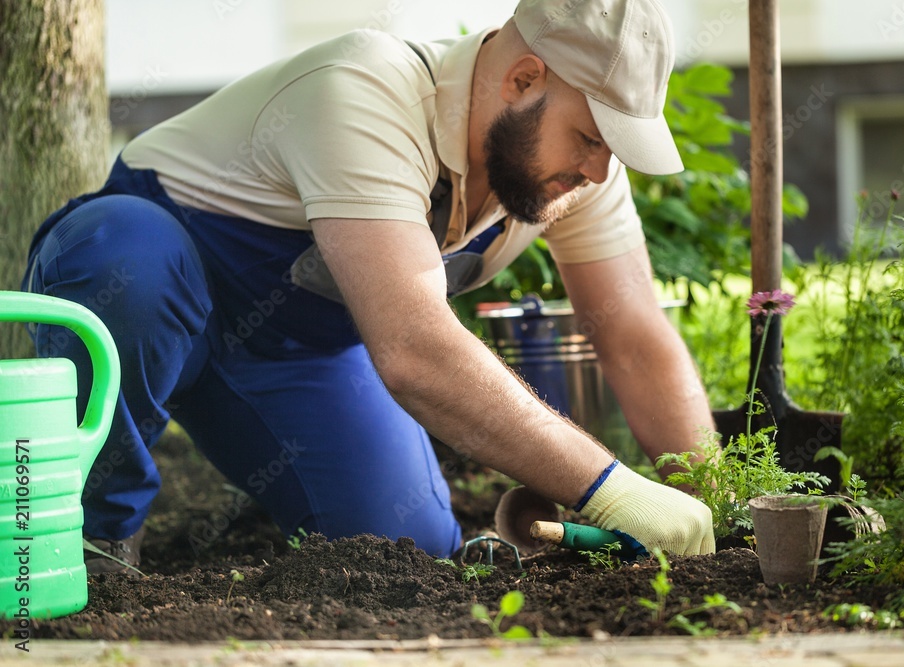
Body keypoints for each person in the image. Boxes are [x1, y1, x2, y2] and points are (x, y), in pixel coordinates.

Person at [21, 0, 717, 573]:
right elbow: (413, 347)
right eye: (590, 139)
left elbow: (632, 335)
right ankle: (88, 538)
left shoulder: (577, 170)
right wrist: (610, 489)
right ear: (524, 79)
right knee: (126, 263)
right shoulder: (368, 87)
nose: (598, 171)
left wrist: (712, 501)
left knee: (402, 555)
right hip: (162, 279)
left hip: (297, 349)